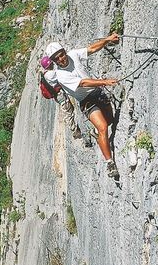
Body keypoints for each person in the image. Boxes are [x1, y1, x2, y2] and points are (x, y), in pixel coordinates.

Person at [46, 33, 120, 180]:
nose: (61, 59)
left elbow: (91, 49)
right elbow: (83, 83)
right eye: (57, 58)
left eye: (61, 55)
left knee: (110, 122)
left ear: (64, 52)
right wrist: (104, 82)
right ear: (54, 61)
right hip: (87, 101)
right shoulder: (60, 75)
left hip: (98, 94)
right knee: (103, 127)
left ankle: (96, 132)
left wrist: (107, 40)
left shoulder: (73, 55)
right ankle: (110, 163)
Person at [40, 56, 82, 139]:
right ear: (49, 64)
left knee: (69, 109)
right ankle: (75, 131)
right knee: (68, 112)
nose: (53, 63)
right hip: (60, 95)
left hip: (58, 95)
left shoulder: (45, 74)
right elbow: (62, 75)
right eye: (51, 63)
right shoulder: (51, 74)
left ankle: (75, 128)